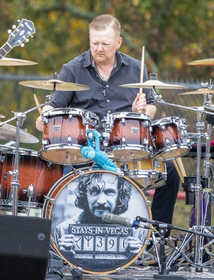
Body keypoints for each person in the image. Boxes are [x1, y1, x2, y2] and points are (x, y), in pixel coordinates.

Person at [35, 14, 181, 226]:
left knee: (169, 172)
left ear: (118, 42)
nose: (99, 48)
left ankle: (156, 237)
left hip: (124, 147)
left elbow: (151, 106)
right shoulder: (72, 69)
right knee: (60, 175)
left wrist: (141, 111)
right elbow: (55, 105)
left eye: (105, 43)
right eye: (95, 43)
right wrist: (43, 117)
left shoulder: (135, 69)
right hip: (87, 148)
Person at [53, 172, 146, 257]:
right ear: (85, 195)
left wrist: (134, 257)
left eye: (109, 192)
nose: (101, 201)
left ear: (120, 196)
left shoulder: (135, 233)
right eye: (94, 191)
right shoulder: (63, 230)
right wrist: (66, 257)